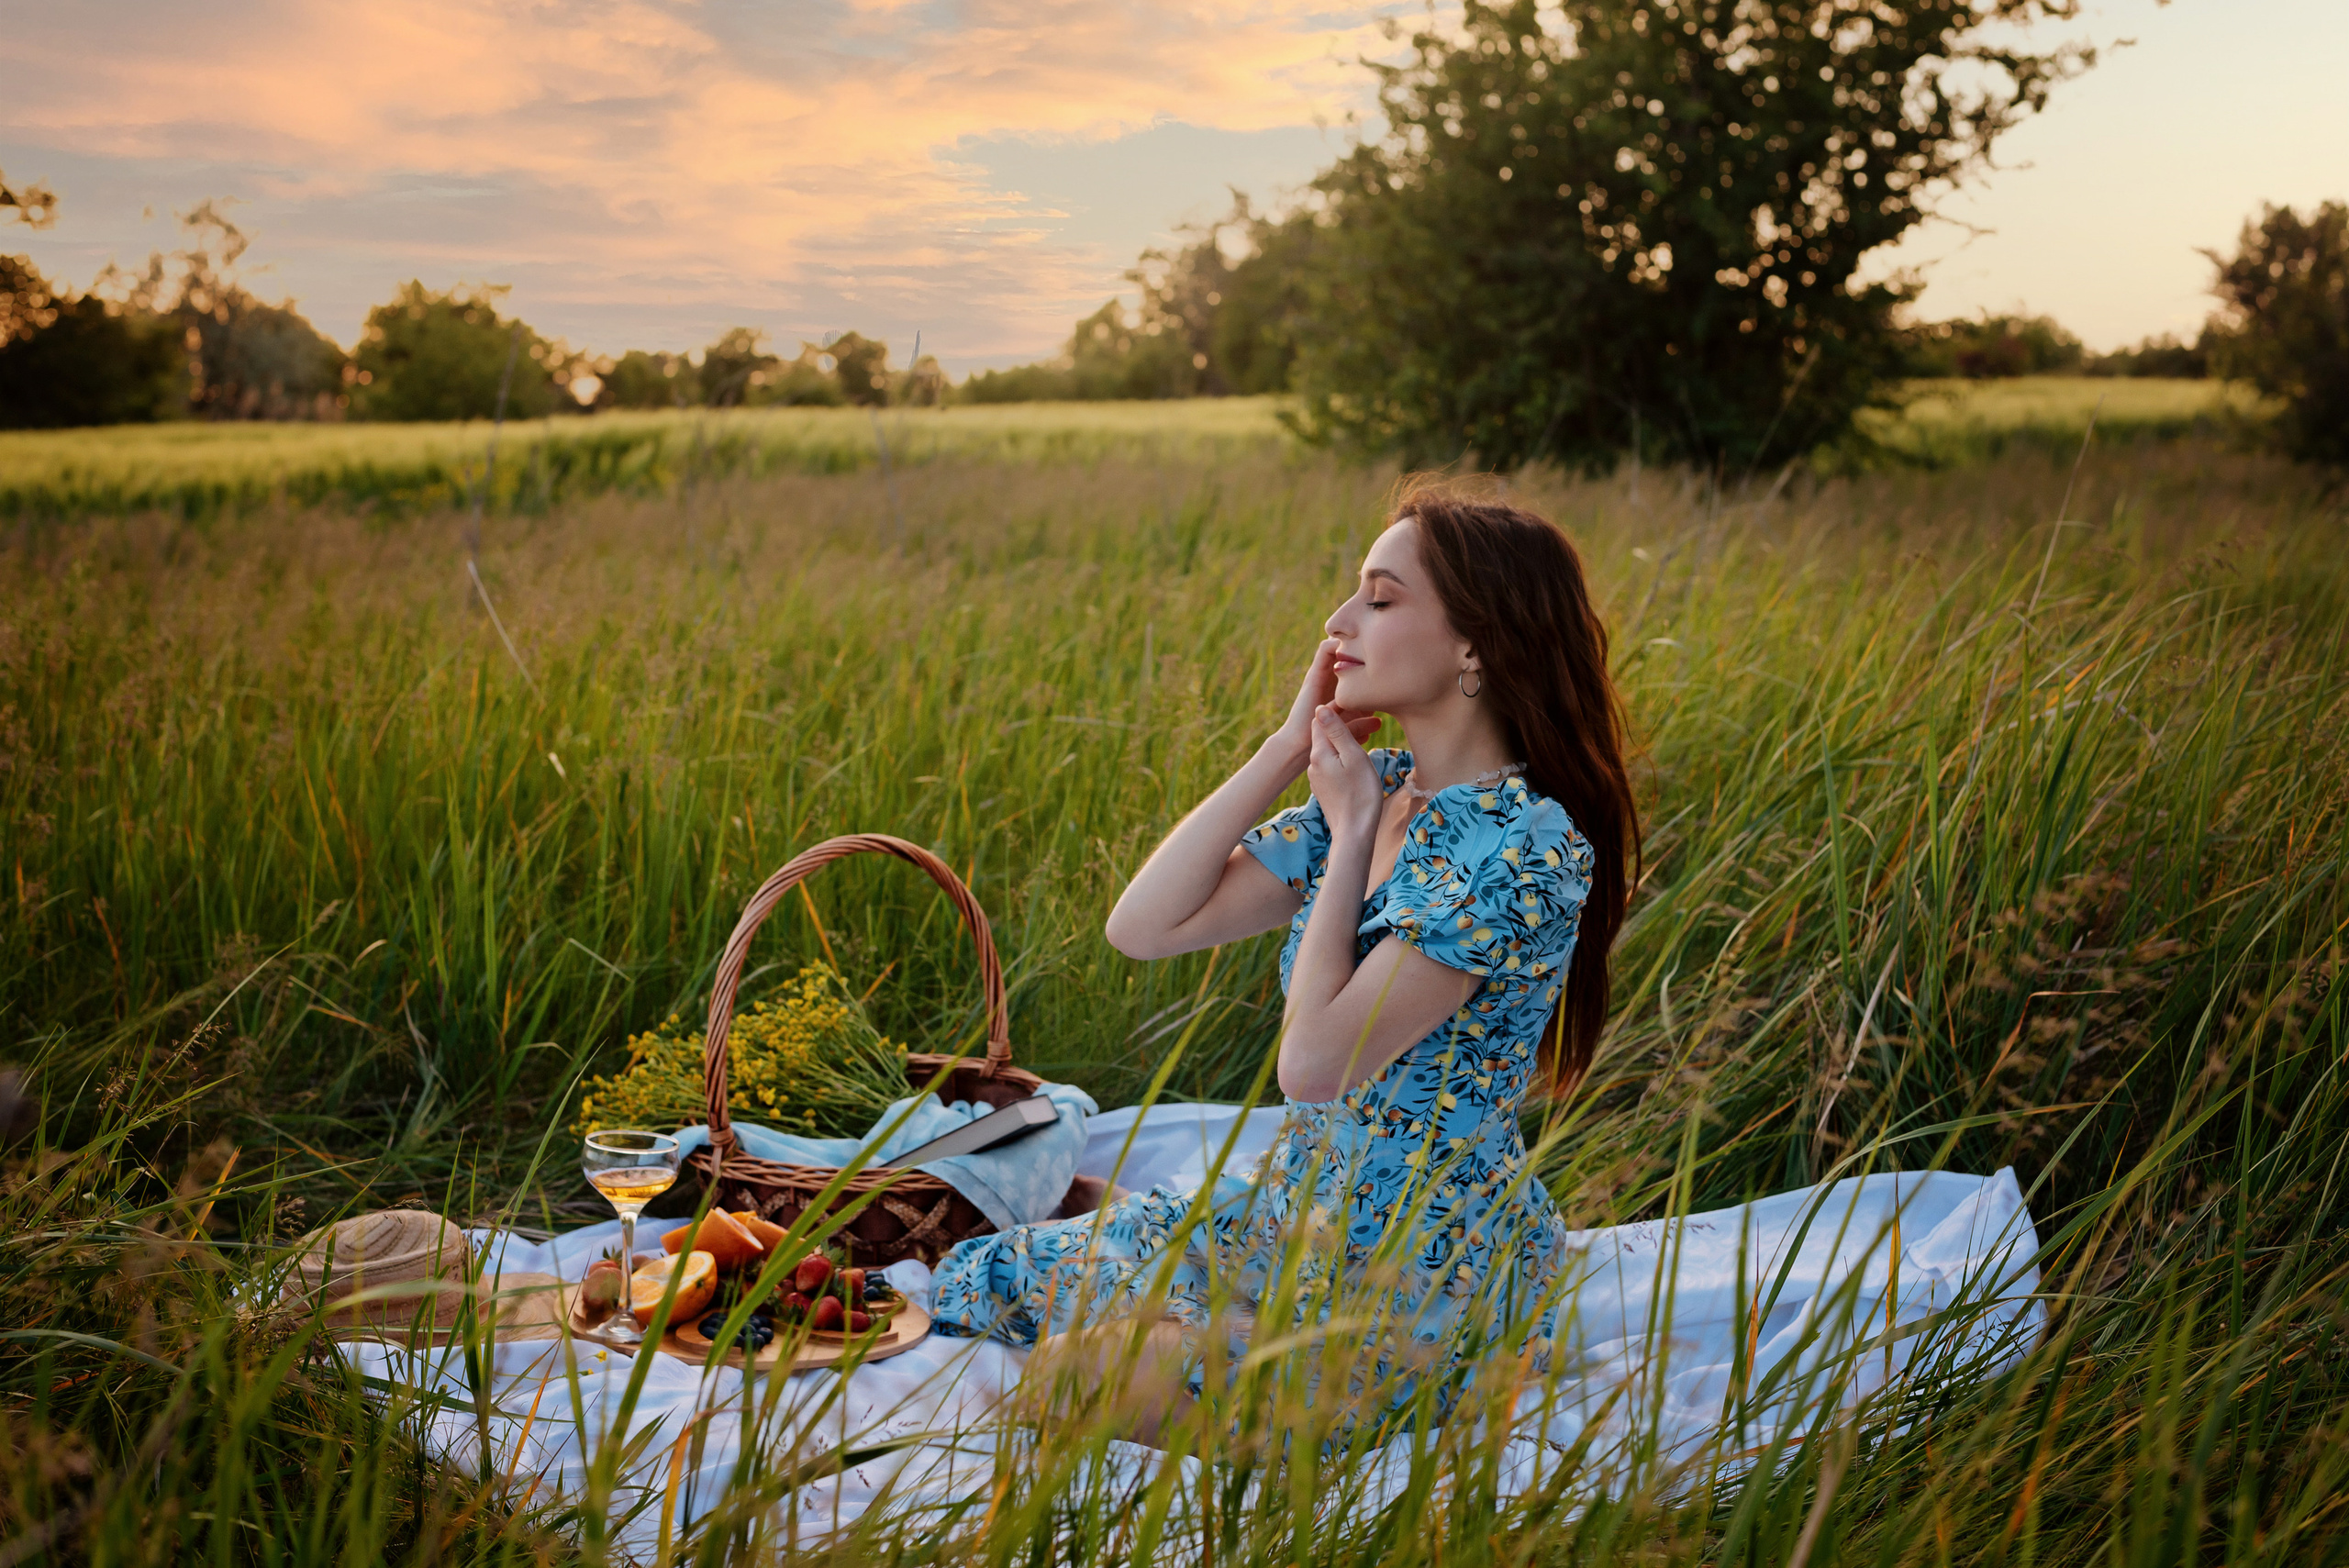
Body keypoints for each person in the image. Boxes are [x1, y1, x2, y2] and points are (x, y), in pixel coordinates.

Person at [928, 481, 1641, 1445]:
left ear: (1476, 644)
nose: (1338, 620)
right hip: (1294, 1211)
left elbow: (1312, 1066)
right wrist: (1281, 748)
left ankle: (1431, 1366)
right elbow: (1143, 924)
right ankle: (1171, 1262)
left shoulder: (1522, 849)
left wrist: (1348, 843)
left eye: (1380, 598)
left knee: (1078, 1374)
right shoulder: (1379, 786)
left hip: (1414, 1264)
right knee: (982, 1280)